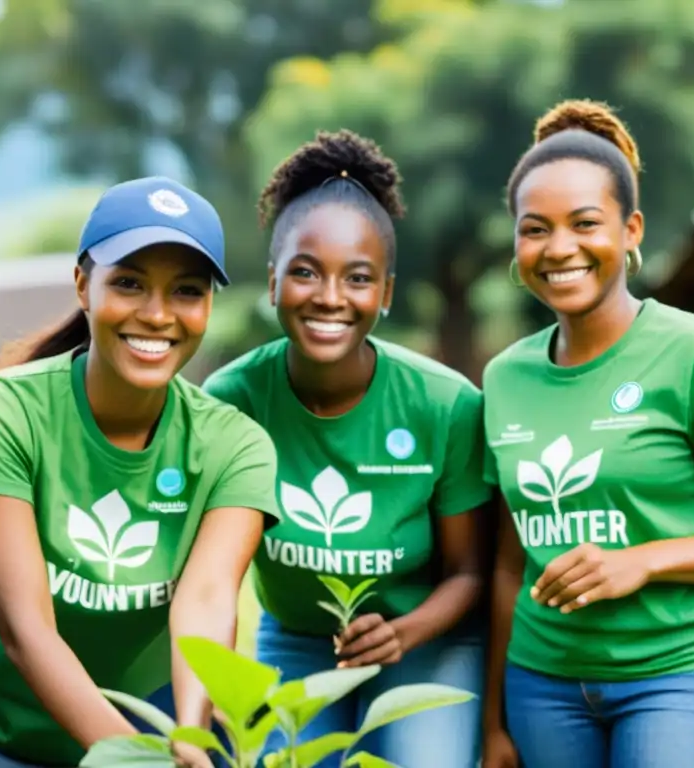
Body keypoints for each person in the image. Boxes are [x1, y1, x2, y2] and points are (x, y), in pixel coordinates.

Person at [0, 176, 280, 768]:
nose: (158, 314)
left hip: (142, 712)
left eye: (186, 291)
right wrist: (133, 760)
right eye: (130, 284)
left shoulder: (235, 445)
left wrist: (188, 737)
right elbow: (25, 631)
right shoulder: (2, 412)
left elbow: (209, 599)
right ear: (84, 285)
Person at [202, 130, 490, 768]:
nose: (330, 297)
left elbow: (470, 572)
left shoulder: (444, 404)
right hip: (299, 638)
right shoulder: (234, 397)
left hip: (426, 636)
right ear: (273, 281)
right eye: (305, 273)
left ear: (385, 293)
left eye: (357, 278)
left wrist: (403, 632)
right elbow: (211, 573)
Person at [481, 99, 694, 768]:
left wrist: (642, 560)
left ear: (631, 228)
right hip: (542, 685)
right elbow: (508, 563)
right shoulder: (503, 378)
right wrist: (494, 721)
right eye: (535, 229)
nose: (559, 249)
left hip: (678, 674)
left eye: (585, 223)